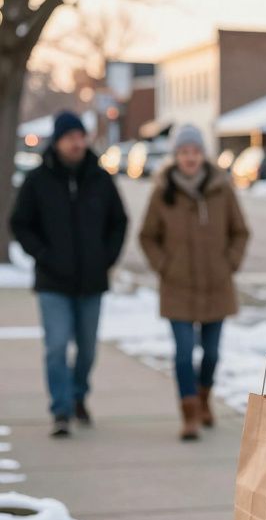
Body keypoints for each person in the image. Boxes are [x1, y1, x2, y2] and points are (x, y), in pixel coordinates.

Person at [9, 111, 127, 438]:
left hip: (92, 281)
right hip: (52, 282)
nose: (77, 142)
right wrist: (43, 254)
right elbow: (20, 224)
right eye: (70, 137)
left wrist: (107, 257)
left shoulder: (100, 178)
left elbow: (119, 222)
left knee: (87, 349)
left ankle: (78, 395)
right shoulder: (38, 180)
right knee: (57, 347)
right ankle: (61, 410)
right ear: (58, 141)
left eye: (80, 136)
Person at [138, 124, 249, 441]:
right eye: (184, 152)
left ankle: (204, 399)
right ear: (176, 156)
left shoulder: (221, 188)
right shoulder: (163, 191)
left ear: (203, 154)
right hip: (178, 287)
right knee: (184, 354)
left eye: (195, 151)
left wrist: (230, 262)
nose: (190, 157)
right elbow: (147, 236)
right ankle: (189, 415)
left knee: (211, 354)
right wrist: (164, 266)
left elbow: (240, 231)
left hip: (217, 285)